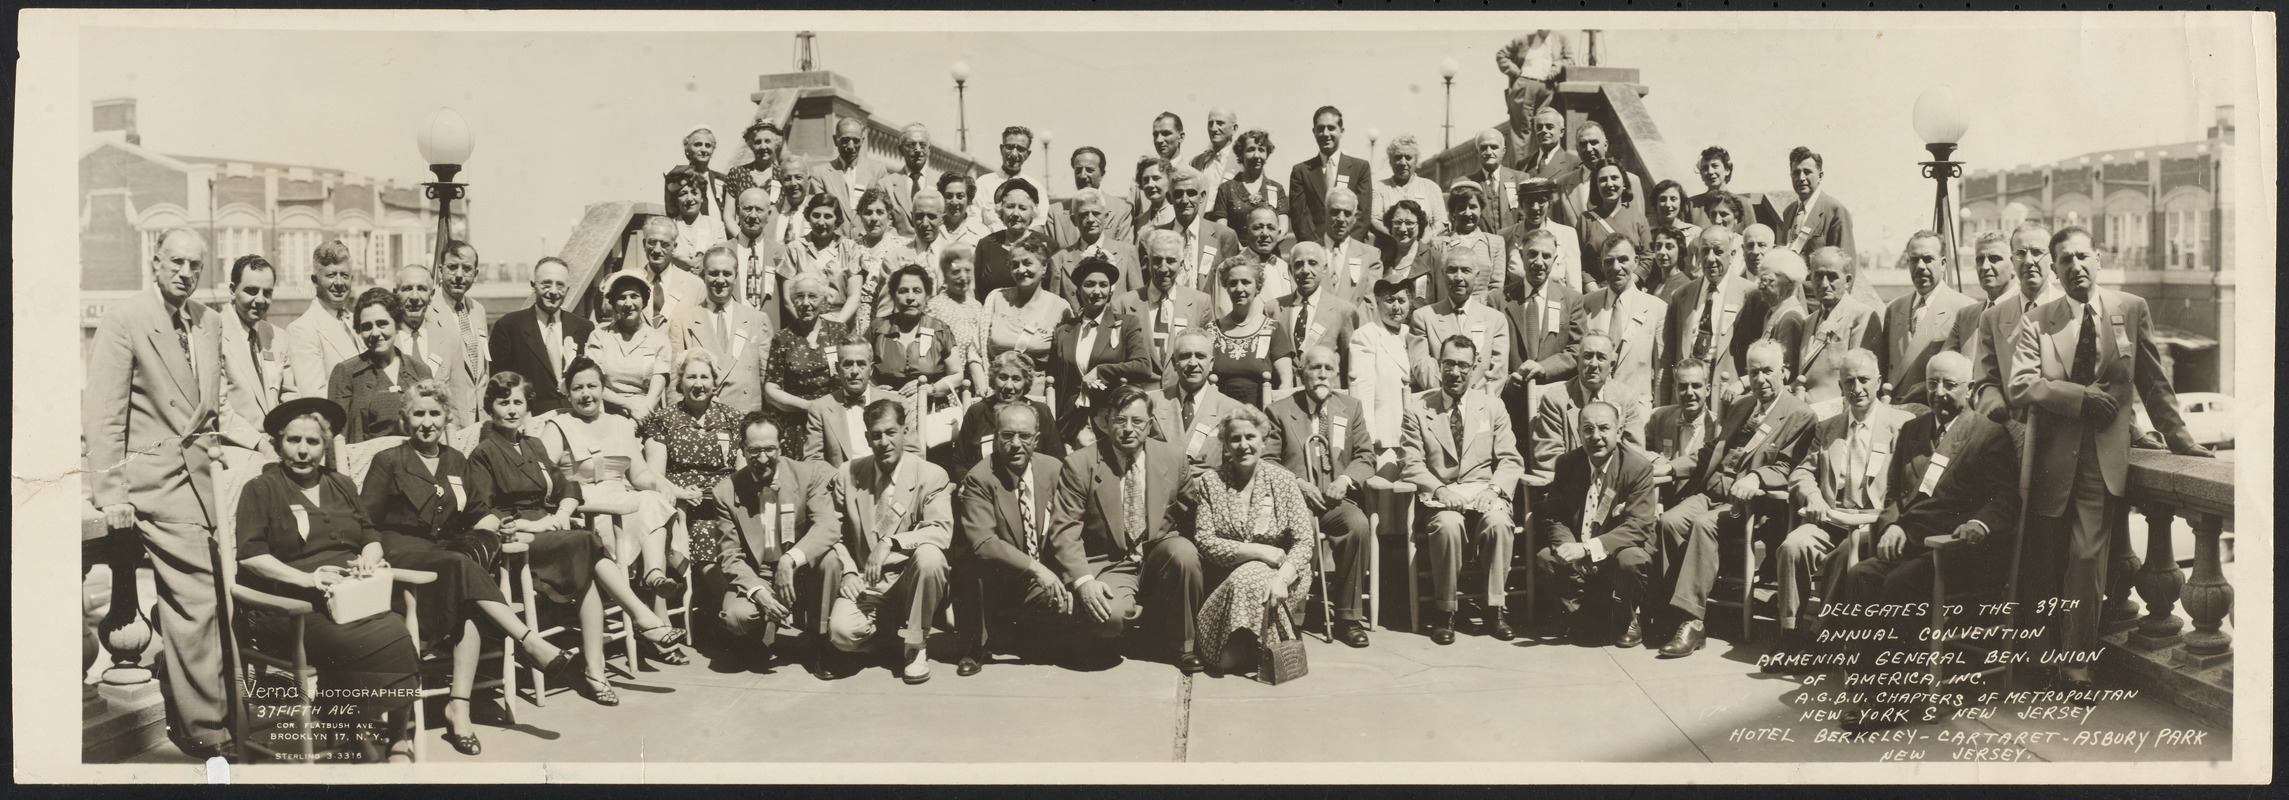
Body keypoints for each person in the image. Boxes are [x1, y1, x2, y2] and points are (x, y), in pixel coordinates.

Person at [2007, 226, 2211, 699]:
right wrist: (2079, 398)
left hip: (2102, 461)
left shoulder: (2130, 309)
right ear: (2055, 271)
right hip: (2049, 463)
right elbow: (2020, 385)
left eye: (2082, 256)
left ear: (2098, 259)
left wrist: (2183, 441)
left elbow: (2155, 384)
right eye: (2065, 260)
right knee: (2045, 564)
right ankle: (2041, 664)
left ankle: (2077, 668)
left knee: (2084, 559)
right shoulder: (2040, 319)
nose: (2075, 265)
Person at [357, 382, 574, 756]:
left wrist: (497, 522)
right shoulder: (389, 460)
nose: (427, 422)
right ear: (405, 419)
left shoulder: (456, 460)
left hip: (445, 556)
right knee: (462, 566)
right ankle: (527, 641)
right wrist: (371, 543)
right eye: (419, 414)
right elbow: (366, 519)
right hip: (402, 556)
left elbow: (477, 511)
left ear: (446, 419)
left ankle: (459, 707)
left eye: (435, 414)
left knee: (469, 597)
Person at [85, 227, 232, 758]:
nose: (186, 273)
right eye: (176, 262)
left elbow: (214, 411)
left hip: (211, 482)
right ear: (155, 262)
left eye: (195, 265)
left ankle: (226, 711)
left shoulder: (209, 321)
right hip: (159, 486)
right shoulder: (126, 318)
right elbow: (104, 413)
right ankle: (208, 732)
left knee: (230, 596)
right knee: (196, 600)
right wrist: (111, 492)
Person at [467, 371, 686, 705]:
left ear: (527, 407)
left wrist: (558, 514)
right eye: (502, 403)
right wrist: (536, 527)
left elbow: (568, 487)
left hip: (553, 532)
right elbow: (482, 510)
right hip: (520, 541)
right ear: (489, 408)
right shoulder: (485, 452)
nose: (511, 410)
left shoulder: (533, 445)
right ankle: (642, 616)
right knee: (584, 542)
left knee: (586, 563)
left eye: (518, 402)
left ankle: (596, 673)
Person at [1832, 352, 2022, 731]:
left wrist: (1978, 525)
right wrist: (1891, 527)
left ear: (1968, 388)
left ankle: (1894, 698)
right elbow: (1893, 499)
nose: (1939, 392)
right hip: (1908, 544)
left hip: (1956, 549)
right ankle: (1868, 688)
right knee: (1861, 576)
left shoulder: (1988, 435)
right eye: (1933, 383)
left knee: (1899, 583)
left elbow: (2004, 501)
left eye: (1950, 385)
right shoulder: (1913, 431)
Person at [232, 397, 420, 762]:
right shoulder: (262, 488)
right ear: (278, 442)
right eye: (293, 440)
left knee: (398, 628)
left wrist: (369, 557)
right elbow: (251, 555)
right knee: (347, 641)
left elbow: (370, 533)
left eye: (313, 442)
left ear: (324, 445)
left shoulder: (342, 484)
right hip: (295, 608)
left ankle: (398, 737)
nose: (303, 451)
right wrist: (307, 579)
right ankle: (354, 731)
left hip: (353, 597)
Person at [1650, 339, 1818, 659]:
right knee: (1670, 521)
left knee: (1703, 525)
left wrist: (1757, 477)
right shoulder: (1742, 405)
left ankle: (1692, 622)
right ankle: (1673, 612)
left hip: (1751, 505)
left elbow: (1789, 467)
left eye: (1768, 371)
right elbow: (1710, 452)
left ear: (1784, 372)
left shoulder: (1800, 415)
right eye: (1754, 372)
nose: (1761, 380)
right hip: (1712, 491)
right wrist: (1670, 468)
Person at [1766, 349, 1914, 666]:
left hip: (1870, 526)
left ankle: (1822, 637)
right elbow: (1802, 471)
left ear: (1879, 382)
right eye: (1849, 382)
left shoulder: (1902, 426)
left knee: (1846, 554)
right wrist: (1814, 497)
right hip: (1830, 520)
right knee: (1793, 546)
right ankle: (1790, 637)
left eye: (1863, 380)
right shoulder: (1828, 427)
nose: (1856, 388)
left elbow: (1908, 484)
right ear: (1840, 386)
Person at [1047, 385, 1209, 674]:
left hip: (1158, 553)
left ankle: (1184, 645)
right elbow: (1064, 529)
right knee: (1109, 619)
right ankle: (1129, 631)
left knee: (1185, 553)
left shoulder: (1173, 458)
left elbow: (1194, 512)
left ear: (1149, 424)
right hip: (1111, 562)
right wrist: (1083, 582)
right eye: (1120, 420)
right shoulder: (1080, 464)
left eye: (1137, 421)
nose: (1128, 429)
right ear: (1106, 421)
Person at [539, 356, 683, 646]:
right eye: (577, 388)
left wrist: (660, 482)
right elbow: (544, 476)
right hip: (586, 506)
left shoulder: (620, 424)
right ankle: (652, 605)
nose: (586, 394)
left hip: (621, 498)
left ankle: (654, 575)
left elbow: (640, 473)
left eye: (592, 386)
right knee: (641, 510)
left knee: (653, 500)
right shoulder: (558, 425)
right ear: (567, 392)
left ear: (603, 389)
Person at [818, 399, 955, 684]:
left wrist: (891, 542)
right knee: (842, 634)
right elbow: (831, 532)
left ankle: (916, 647)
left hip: (910, 581)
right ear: (867, 438)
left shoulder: (931, 475)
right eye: (876, 435)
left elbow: (941, 530)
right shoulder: (848, 474)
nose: (884, 442)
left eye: (891, 432)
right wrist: (848, 570)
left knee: (930, 556)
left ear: (905, 431)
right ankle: (885, 638)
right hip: (868, 583)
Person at [1401, 335, 1527, 644]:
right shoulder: (1418, 409)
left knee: (1499, 522)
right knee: (1448, 525)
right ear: (1438, 365)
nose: (1454, 372)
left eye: (1462, 365)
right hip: (1441, 498)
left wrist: (1495, 490)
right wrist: (1441, 490)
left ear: (1474, 369)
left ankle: (1495, 608)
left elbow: (1511, 459)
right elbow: (1410, 462)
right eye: (1448, 364)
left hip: (1484, 492)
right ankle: (1446, 611)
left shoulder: (1493, 407)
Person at [950, 403, 1079, 675]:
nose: (1016, 444)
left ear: (1037, 438)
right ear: (995, 437)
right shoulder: (980, 478)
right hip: (1000, 578)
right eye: (1007, 435)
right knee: (971, 565)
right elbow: (984, 543)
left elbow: (1070, 524)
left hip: (1044, 575)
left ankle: (1024, 633)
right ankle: (977, 646)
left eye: (1024, 436)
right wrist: (1036, 569)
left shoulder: (1053, 469)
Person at [1189, 406, 1316, 676]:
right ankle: (1272, 649)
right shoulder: (1212, 482)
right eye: (1235, 439)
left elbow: (1304, 540)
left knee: (1254, 575)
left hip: (1283, 575)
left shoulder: (1282, 480)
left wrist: (1282, 578)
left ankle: (1258, 649)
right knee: (1250, 573)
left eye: (1250, 437)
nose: (1243, 445)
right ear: (1225, 444)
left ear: (1263, 438)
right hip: (1228, 578)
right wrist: (1257, 551)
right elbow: (1205, 540)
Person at [1263, 346, 1377, 647]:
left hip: (1337, 502)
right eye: (1315, 368)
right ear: (1302, 373)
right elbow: (1267, 461)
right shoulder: (1279, 410)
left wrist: (1345, 478)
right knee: (1303, 532)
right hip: (1297, 502)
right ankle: (1292, 619)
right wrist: (1298, 483)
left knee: (1358, 526)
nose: (1322, 374)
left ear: (1336, 373)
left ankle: (1348, 618)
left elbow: (1366, 456)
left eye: (1328, 368)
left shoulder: (1350, 407)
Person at [710, 412, 841, 673]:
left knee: (831, 560)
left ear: (781, 446)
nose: (762, 458)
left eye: (770, 449)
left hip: (801, 569)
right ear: (742, 450)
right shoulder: (725, 492)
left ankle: (820, 638)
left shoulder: (808, 475)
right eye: (754, 451)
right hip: (760, 574)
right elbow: (730, 556)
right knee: (737, 616)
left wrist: (791, 559)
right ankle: (757, 636)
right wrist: (758, 592)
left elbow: (828, 525)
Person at [638, 347, 750, 652]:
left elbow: (744, 472)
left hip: (728, 503)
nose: (698, 383)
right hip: (687, 508)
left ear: (715, 381)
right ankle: (739, 614)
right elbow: (654, 475)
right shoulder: (663, 420)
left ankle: (743, 611)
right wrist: (678, 493)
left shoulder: (733, 417)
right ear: (680, 382)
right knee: (706, 535)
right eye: (691, 377)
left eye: (704, 376)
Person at [1534, 401, 1660, 647]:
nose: (1596, 437)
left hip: (1617, 551)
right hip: (1580, 550)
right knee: (1545, 558)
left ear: (1618, 431)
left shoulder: (1637, 467)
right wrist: (1569, 547)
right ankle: (1583, 614)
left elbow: (1638, 525)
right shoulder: (1567, 464)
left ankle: (1630, 618)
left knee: (1632, 560)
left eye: (1604, 428)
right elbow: (1554, 514)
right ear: (1578, 432)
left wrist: (1588, 548)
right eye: (1588, 429)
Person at [1050, 257, 1160, 449]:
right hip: (1073, 420)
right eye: (1089, 284)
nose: (1097, 291)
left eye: (1103, 285)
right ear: (1077, 290)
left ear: (1110, 291)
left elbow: (1143, 365)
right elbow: (1058, 381)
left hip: (1112, 416)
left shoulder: (1126, 324)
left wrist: (1101, 371)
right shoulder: (1064, 331)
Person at [1552, 234, 1665, 403]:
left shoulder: (1657, 309)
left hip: (1637, 410)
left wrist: (1657, 414)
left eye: (1623, 260)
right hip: (1592, 409)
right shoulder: (1585, 304)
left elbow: (1661, 371)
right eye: (1609, 261)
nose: (1616, 267)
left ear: (1636, 261)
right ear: (1600, 264)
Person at [1526, 332, 1648, 483]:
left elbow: (1635, 450)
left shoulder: (1625, 397)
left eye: (1601, 357)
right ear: (1577, 361)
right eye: (1588, 356)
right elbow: (1548, 457)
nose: (1594, 364)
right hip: (1571, 486)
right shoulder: (1555, 400)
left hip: (1616, 485)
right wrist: (1592, 471)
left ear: (1611, 365)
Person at [1875, 231, 1980, 406]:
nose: (1920, 266)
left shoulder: (1966, 308)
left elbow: (1968, 372)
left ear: (1944, 263)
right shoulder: (1895, 308)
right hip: (1893, 412)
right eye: (1914, 259)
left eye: (1928, 259)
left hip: (1935, 410)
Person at [1971, 223, 2064, 421]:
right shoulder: (1992, 318)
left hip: (2062, 430)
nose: (2029, 261)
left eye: (2037, 252)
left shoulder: (2070, 309)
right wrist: (1994, 403)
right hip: (2012, 429)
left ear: (2052, 260)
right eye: (2021, 253)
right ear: (2012, 261)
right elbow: (1985, 381)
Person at [1109, 229, 1217, 386]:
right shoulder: (1123, 304)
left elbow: (1207, 354)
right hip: (1139, 397)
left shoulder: (1201, 302)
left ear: (1181, 263)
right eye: (1157, 260)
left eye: (1171, 261)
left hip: (1183, 392)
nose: (1163, 268)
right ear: (1148, 262)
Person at [672, 246, 772, 415]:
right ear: (703, 276)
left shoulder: (758, 320)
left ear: (736, 276)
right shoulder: (683, 321)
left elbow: (767, 380)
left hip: (746, 418)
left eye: (726, 273)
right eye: (713, 273)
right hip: (700, 419)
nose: (720, 280)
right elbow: (674, 384)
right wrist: (680, 422)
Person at [869, 265, 964, 442]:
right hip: (887, 417)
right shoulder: (877, 329)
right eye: (903, 291)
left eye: (917, 291)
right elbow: (862, 369)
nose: (910, 298)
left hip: (930, 414)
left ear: (927, 295)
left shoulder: (940, 330)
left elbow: (957, 374)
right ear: (893, 295)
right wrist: (874, 389)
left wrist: (929, 389)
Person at [488, 258, 594, 416]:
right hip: (531, 422)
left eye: (560, 285)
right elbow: (499, 385)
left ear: (568, 288)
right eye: (546, 283)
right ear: (533, 285)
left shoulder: (584, 327)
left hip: (576, 419)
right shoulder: (509, 326)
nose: (553, 291)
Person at [1660, 226, 1753, 406]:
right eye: (1705, 251)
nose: (1710, 258)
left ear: (1732, 254)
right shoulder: (1681, 295)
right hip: (1688, 395)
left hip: (1728, 395)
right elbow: (1669, 353)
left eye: (1718, 251)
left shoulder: (1750, 295)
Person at [330, 288, 435, 444]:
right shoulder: (346, 373)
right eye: (366, 327)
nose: (375, 333)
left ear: (397, 323)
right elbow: (336, 438)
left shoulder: (420, 370)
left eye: (382, 324)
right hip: (366, 464)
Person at [762, 274, 851, 456]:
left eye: (812, 296)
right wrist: (808, 406)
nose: (805, 302)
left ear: (824, 300)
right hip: (796, 424)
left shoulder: (839, 331)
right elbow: (771, 390)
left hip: (834, 419)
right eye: (799, 296)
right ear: (793, 301)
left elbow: (851, 371)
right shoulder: (783, 338)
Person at [217, 255, 293, 467]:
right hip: (237, 452)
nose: (260, 300)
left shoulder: (278, 337)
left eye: (267, 293)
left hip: (277, 449)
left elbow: (289, 396)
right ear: (232, 290)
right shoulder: (213, 334)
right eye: (251, 290)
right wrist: (260, 444)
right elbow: (218, 408)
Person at [1408, 247, 1510, 392]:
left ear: (1477, 275)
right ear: (1442, 274)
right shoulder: (1423, 317)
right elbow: (1422, 367)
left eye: (1465, 270)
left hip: (1481, 406)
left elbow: (1497, 373)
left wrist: (1472, 402)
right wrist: (1449, 398)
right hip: (1439, 405)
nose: (1458, 277)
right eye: (1452, 270)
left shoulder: (1495, 320)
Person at [1794, 247, 1881, 412]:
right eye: (1818, 276)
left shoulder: (1862, 316)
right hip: (1803, 413)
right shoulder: (1809, 321)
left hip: (1837, 414)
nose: (1824, 284)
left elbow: (1860, 378)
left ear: (1847, 281)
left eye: (1832, 277)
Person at [982, 232, 1070, 396]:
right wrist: (984, 387)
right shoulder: (996, 298)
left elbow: (1065, 362)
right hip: (996, 393)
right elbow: (977, 348)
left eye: (1027, 263)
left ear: (1044, 267)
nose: (1021, 270)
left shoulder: (1060, 308)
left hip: (1038, 397)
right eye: (1014, 265)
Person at [1203, 261, 1296, 408]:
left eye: (1246, 282)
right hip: (1220, 415)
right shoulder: (1211, 331)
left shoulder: (1273, 329)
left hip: (1262, 416)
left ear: (1258, 288)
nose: (1239, 289)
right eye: (1233, 283)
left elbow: (1286, 383)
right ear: (1226, 287)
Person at [953, 351, 1064, 473]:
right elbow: (959, 462)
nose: (1008, 386)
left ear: (1026, 382)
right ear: (993, 379)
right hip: (985, 487)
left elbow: (1056, 459)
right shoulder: (977, 412)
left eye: (1016, 379)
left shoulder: (1041, 412)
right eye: (1003, 377)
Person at [800, 341, 909, 465]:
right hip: (842, 481)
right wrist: (840, 479)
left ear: (871, 369)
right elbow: (813, 460)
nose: (855, 371)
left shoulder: (897, 403)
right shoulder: (820, 408)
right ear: (837, 368)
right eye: (848, 364)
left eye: (861, 364)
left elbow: (913, 452)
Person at [1152, 330, 1247, 469]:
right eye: (1185, 356)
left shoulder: (1232, 410)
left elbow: (1236, 468)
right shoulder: (1152, 403)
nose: (1192, 363)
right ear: (1174, 362)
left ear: (1212, 363)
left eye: (1200, 356)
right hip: (1161, 487)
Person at [587, 271, 673, 420]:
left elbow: (656, 390)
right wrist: (628, 405)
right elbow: (594, 383)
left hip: (646, 414)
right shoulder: (599, 336)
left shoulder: (659, 340)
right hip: (607, 414)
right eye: (621, 298)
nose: (628, 303)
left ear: (644, 301)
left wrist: (641, 414)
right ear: (614, 303)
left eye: (634, 296)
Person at [1350, 278, 1421, 456]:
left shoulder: (1412, 334)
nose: (1396, 307)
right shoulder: (1366, 335)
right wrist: (1367, 438)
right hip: (1385, 433)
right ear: (1378, 302)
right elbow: (1363, 392)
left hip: (1416, 432)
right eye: (1390, 301)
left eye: (1402, 301)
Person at [284, 239, 360, 402]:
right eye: (331, 275)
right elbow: (315, 396)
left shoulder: (357, 322)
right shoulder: (302, 329)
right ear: (314, 280)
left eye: (344, 275)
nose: (339, 283)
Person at [1942, 232, 2018, 389]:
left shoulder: (2027, 309)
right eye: (1979, 260)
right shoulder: (1966, 316)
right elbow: (1944, 365)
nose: (1984, 267)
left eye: (1994, 259)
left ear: (2014, 265)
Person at [1272, 242, 1358, 380]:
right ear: (1290, 270)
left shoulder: (1343, 310)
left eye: (1312, 263)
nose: (1305, 270)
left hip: (1326, 394)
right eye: (1299, 264)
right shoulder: (1273, 308)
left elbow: (1350, 368)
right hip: (1284, 395)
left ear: (1325, 269)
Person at [1289, 106, 1373, 245]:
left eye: (1331, 128)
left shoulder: (1360, 168)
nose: (1325, 133)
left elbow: (1362, 215)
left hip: (1351, 248)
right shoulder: (1301, 171)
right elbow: (1300, 218)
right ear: (1314, 132)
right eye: (1320, 128)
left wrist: (1346, 248)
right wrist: (1317, 249)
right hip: (1315, 251)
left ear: (1341, 131)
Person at [1159, 165, 1244, 296]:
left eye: (1191, 193)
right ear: (1170, 198)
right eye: (1178, 194)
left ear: (1202, 196)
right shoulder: (1156, 237)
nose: (1185, 200)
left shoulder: (1225, 236)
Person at [1048, 189, 1143, 303]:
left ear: (1106, 217)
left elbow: (1138, 303)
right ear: (1074, 220)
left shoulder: (1127, 252)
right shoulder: (1059, 259)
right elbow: (1054, 307)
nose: (1091, 220)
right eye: (1083, 215)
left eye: (1096, 213)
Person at [787, 193, 867, 327]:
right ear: (808, 216)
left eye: (828, 216)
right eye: (816, 215)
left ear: (837, 220)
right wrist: (806, 327)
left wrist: (834, 328)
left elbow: (854, 296)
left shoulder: (849, 248)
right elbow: (788, 299)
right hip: (804, 324)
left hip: (841, 322)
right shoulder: (795, 249)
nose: (821, 222)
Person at [1645, 358, 1717, 507]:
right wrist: (1658, 461)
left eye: (1696, 386)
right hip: (1661, 502)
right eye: (1683, 386)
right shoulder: (1659, 417)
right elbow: (1638, 450)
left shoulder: (1718, 428)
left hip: (1697, 508)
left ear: (1708, 390)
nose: (1689, 393)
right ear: (1674, 389)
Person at [1496, 29, 1577, 160]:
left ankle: (1540, 169)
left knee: (1544, 128)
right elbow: (1501, 55)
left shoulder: (1561, 39)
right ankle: (1520, 173)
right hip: (1524, 85)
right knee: (1521, 133)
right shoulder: (1522, 39)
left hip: (1548, 87)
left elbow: (1570, 60)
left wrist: (1557, 66)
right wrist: (1516, 72)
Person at [431, 241, 491, 418]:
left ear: (475, 273)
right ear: (440, 270)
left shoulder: (478, 310)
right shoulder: (427, 309)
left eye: (466, 269)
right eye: (452, 267)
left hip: (481, 416)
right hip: (448, 418)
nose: (459, 275)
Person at [1498, 176, 1582, 296]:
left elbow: (1575, 287)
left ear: (1550, 202)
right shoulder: (1506, 236)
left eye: (1541, 201)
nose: (1535, 207)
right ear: (1521, 205)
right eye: (1529, 202)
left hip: (1557, 307)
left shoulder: (1567, 234)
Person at [927, 245, 992, 395]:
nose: (963, 277)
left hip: (978, 386)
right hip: (948, 389)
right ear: (945, 273)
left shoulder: (977, 307)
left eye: (967, 270)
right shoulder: (934, 307)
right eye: (956, 272)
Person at [1209, 128, 1293, 245]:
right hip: (1237, 256)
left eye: (1261, 150)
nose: (1256, 155)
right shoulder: (1226, 189)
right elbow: (1222, 229)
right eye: (1251, 150)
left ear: (1267, 154)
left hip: (1270, 255)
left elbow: (1282, 229)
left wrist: (1264, 248)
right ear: (1241, 154)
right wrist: (1244, 253)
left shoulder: (1277, 188)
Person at [975, 179, 1054, 299]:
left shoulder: (1048, 246)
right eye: (1010, 207)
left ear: (1033, 212)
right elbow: (977, 289)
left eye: (1022, 208)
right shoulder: (985, 245)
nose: (1015, 214)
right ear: (1000, 210)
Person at [809, 117, 889, 233]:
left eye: (856, 141)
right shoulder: (820, 173)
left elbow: (884, 211)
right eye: (845, 140)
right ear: (835, 140)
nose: (851, 146)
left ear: (862, 140)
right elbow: (818, 212)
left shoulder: (877, 170)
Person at [1048, 147, 1133, 249]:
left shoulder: (1121, 209)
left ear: (1102, 174)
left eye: (1089, 170)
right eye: (1078, 170)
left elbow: (1124, 253)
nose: (1083, 175)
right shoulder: (1055, 212)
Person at [1560, 123, 1643, 228]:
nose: (1589, 149)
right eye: (1583, 144)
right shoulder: (1563, 184)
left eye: (1594, 142)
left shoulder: (1631, 180)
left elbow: (1639, 227)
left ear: (1605, 145)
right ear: (1577, 149)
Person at [1312, 190, 1385, 307]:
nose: (1341, 219)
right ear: (1323, 213)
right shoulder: (1308, 252)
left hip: (1354, 324)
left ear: (1355, 217)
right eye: (1335, 212)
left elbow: (1370, 305)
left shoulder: (1370, 256)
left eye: (1347, 213)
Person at [635, 217, 710, 330]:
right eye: (652, 242)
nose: (657, 250)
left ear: (674, 247)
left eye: (665, 244)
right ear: (643, 244)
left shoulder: (696, 287)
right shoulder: (631, 282)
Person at [1779, 146, 1854, 258]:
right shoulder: (1788, 212)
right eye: (1796, 173)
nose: (1801, 178)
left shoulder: (1835, 210)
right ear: (1791, 176)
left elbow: (1845, 263)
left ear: (1820, 176)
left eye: (1807, 172)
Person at [846, 188, 907, 327]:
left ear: (889, 216)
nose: (874, 218)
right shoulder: (850, 247)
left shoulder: (902, 246)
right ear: (860, 216)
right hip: (854, 322)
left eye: (880, 212)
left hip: (888, 321)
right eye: (868, 213)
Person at [1371, 134, 1446, 243]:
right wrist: (1398, 238)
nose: (1403, 162)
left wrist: (1425, 239)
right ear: (1390, 161)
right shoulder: (1379, 188)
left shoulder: (1431, 187)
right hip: (1389, 250)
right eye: (1397, 157)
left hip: (1423, 250)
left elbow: (1442, 222)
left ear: (1416, 160)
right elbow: (1374, 220)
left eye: (1408, 157)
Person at [872, 123, 943, 238]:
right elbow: (884, 223)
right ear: (900, 150)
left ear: (929, 150)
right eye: (911, 145)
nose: (918, 150)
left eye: (923, 145)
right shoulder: (885, 185)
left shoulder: (941, 183)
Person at [1577, 163, 1652, 271]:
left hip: (1631, 284)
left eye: (1614, 178)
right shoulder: (1586, 220)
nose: (1609, 184)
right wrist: (1590, 286)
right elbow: (1577, 260)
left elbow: (1647, 258)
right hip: (1597, 286)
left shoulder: (1638, 218)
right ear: (1596, 186)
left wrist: (1632, 281)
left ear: (1624, 183)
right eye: (1603, 180)